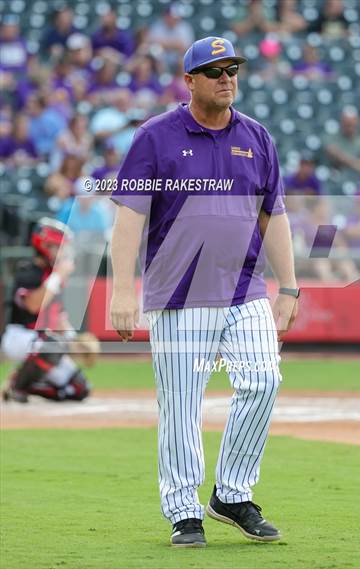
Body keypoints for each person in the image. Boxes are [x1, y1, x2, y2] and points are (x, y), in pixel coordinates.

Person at [110, 36, 298, 548]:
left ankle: (232, 494)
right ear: (189, 80)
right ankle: (183, 510)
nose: (226, 77)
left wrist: (291, 287)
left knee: (262, 381)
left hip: (245, 290)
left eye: (232, 68)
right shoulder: (155, 137)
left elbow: (273, 215)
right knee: (182, 404)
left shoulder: (257, 137)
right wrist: (122, 290)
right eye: (214, 70)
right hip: (178, 295)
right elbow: (129, 218)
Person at [1, 218, 93, 403]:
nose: (60, 252)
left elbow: (58, 318)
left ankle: (20, 382)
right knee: (52, 343)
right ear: (42, 245)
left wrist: (75, 340)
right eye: (55, 247)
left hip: (42, 342)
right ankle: (19, 386)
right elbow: (34, 305)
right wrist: (58, 275)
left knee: (79, 389)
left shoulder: (53, 277)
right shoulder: (28, 271)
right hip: (19, 337)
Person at [325, 108, 360, 174]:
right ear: (341, 122)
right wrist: (354, 163)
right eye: (347, 124)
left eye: (352, 124)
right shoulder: (331, 138)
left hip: (356, 177)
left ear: (357, 122)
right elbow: (331, 151)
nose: (349, 126)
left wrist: (342, 158)